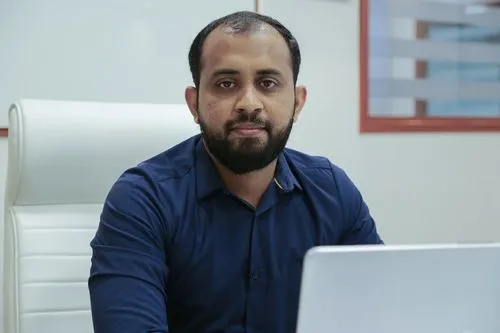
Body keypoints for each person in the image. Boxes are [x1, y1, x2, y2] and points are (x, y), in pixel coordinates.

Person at [88, 10, 383, 333]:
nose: (248, 103)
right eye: (226, 84)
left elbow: (382, 311)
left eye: (268, 83)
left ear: (297, 102)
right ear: (194, 103)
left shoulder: (332, 192)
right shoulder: (142, 199)